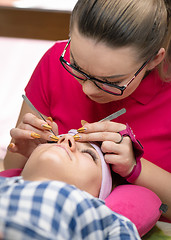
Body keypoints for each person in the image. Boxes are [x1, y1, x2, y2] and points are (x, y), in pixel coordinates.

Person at [3, 0, 171, 221]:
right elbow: (10, 170)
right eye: (77, 66)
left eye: (111, 80)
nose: (87, 88)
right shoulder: (55, 61)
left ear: (154, 60)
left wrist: (134, 167)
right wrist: (24, 150)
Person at [0, 134, 141, 240]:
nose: (66, 138)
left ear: (99, 195)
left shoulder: (107, 218)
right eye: (53, 140)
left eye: (88, 154)